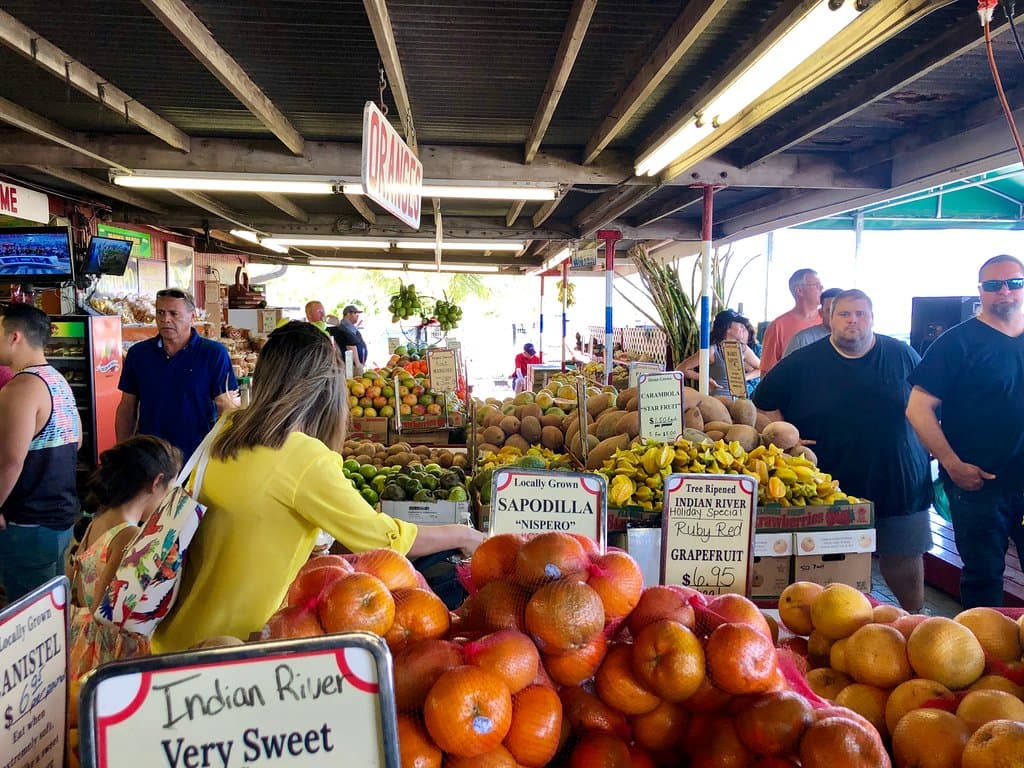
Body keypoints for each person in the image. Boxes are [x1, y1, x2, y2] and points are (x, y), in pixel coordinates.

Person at [151, 322, 485, 652]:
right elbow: (383, 541)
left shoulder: (227, 427)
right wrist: (464, 535)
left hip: (170, 634)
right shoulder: (303, 457)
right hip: (230, 646)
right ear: (326, 387)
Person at [753, 290, 932, 611]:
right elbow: (763, 404)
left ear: (872, 318)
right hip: (829, 483)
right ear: (829, 319)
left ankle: (914, 620)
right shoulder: (802, 362)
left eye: (861, 314)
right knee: (834, 573)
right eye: (845, 314)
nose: (853, 321)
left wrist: (933, 444)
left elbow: (930, 402)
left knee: (904, 558)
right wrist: (787, 437)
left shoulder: (902, 355)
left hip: (899, 479)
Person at [906, 255, 1024, 608]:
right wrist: (952, 464)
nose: (1005, 291)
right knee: (983, 578)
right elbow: (918, 408)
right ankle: (983, 643)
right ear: (980, 291)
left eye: (1014, 283)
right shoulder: (956, 343)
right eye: (994, 285)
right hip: (977, 485)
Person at [67, 436, 180, 677]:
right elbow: (104, 610)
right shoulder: (129, 535)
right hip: (107, 652)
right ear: (156, 482)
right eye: (170, 491)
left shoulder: (98, 520)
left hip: (80, 640)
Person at [0, 303, 83, 602]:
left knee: (29, 613)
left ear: (15, 337)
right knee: (53, 607)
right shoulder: (57, 380)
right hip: (59, 516)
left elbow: (10, 460)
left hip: (27, 522)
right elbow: (77, 440)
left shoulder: (21, 387)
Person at [115, 288, 238, 459]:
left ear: (192, 316)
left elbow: (225, 406)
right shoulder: (138, 354)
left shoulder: (213, 354)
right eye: (160, 313)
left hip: (198, 455)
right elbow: (127, 407)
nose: (165, 319)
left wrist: (225, 453)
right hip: (151, 457)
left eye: (174, 314)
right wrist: (122, 451)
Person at [677, 310, 760, 398]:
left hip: (739, 402)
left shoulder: (743, 349)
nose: (743, 328)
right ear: (728, 329)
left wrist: (744, 378)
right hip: (718, 402)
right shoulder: (712, 351)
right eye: (740, 326)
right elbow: (681, 369)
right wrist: (705, 378)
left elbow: (761, 368)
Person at [759, 269, 824, 375]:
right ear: (799, 290)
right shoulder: (778, 326)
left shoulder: (829, 321)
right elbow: (766, 373)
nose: (822, 288)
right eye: (816, 285)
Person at [782, 287, 843, 358]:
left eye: (842, 312)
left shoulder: (853, 340)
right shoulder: (802, 340)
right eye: (830, 311)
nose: (836, 316)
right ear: (821, 313)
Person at [332, 304, 368, 375]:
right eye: (355, 313)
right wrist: (357, 364)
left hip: (352, 364)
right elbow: (350, 345)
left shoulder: (346, 326)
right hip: (352, 366)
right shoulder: (345, 327)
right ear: (348, 314)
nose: (357, 316)